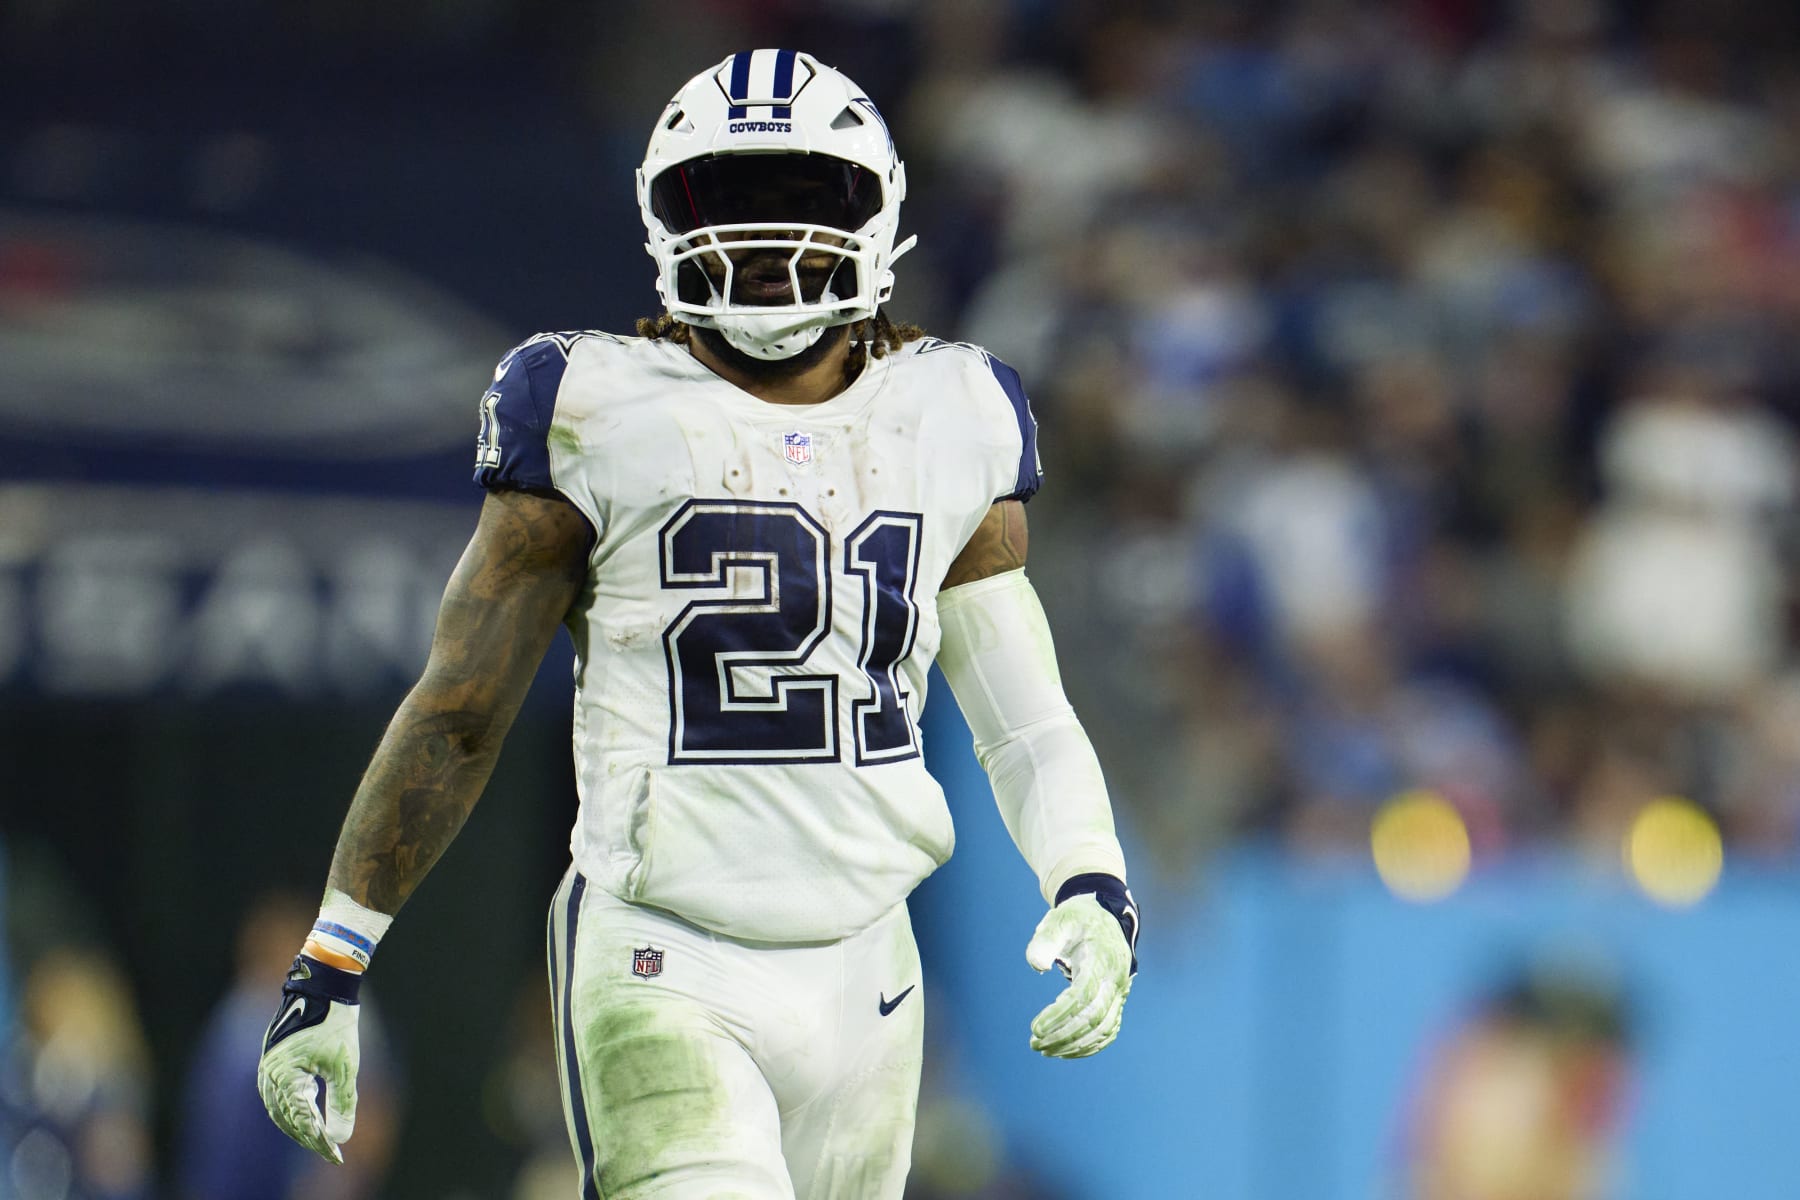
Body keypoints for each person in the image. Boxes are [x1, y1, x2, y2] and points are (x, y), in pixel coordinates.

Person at [257, 49, 1138, 1199]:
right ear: (663, 213)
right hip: (665, 957)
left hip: (873, 969)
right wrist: (335, 952)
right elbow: (462, 710)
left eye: (805, 197)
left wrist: (1089, 878)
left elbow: (1024, 716)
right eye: (729, 197)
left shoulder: (951, 410)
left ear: (877, 210)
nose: (766, 241)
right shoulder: (590, 408)